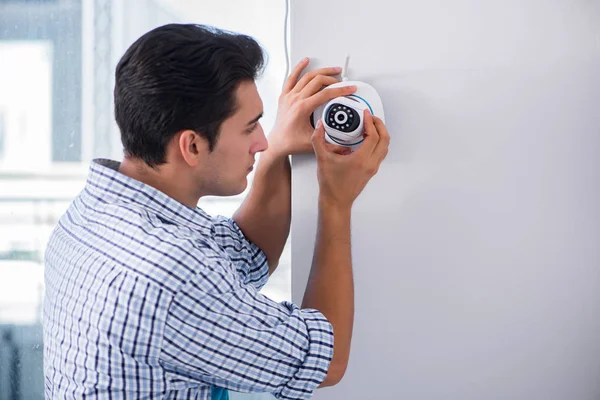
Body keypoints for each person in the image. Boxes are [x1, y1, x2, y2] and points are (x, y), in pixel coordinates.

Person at [43, 23, 389, 399]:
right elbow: (326, 360)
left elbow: (248, 252)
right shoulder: (170, 272)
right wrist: (335, 203)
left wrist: (276, 153)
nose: (260, 142)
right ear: (191, 146)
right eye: (249, 128)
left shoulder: (93, 214)